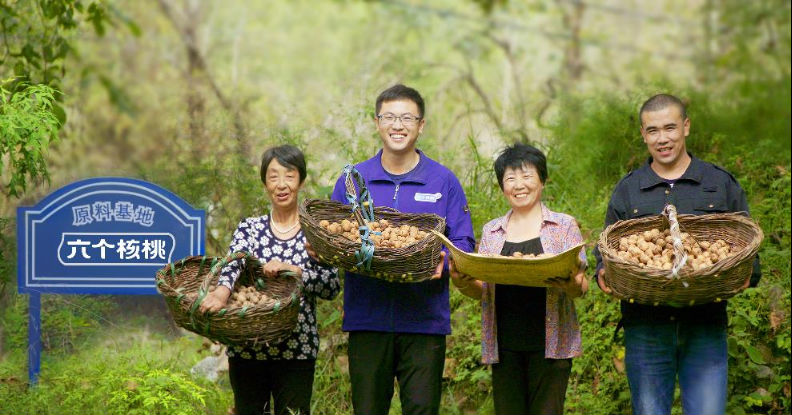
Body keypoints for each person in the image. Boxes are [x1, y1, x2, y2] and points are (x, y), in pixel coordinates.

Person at [593, 94, 762, 415]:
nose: (662, 138)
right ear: (643, 135)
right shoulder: (628, 190)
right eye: (653, 130)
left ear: (686, 127)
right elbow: (605, 253)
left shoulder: (718, 183)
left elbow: (749, 255)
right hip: (646, 329)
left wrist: (743, 275)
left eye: (670, 128)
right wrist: (604, 274)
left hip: (705, 326)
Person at [328, 84, 476, 415]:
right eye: (390, 117)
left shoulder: (443, 181)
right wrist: (324, 250)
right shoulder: (354, 181)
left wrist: (446, 261)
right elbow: (334, 235)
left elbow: (464, 242)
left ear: (421, 125)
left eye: (407, 117)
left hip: (424, 322)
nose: (398, 125)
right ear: (377, 122)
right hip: (368, 320)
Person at [199, 145, 340, 415]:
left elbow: (331, 285)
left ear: (301, 180)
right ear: (265, 183)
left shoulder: (315, 233)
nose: (282, 184)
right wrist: (220, 293)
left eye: (289, 175)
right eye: (274, 176)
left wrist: (297, 273)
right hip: (247, 350)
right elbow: (234, 263)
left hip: (297, 349)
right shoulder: (250, 228)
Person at [449, 143, 588, 415]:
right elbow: (483, 290)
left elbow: (581, 288)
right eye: (510, 178)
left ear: (543, 180)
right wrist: (462, 280)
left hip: (551, 346)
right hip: (505, 346)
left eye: (526, 176)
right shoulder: (492, 231)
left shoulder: (563, 226)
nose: (518, 185)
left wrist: (570, 284)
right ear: (502, 186)